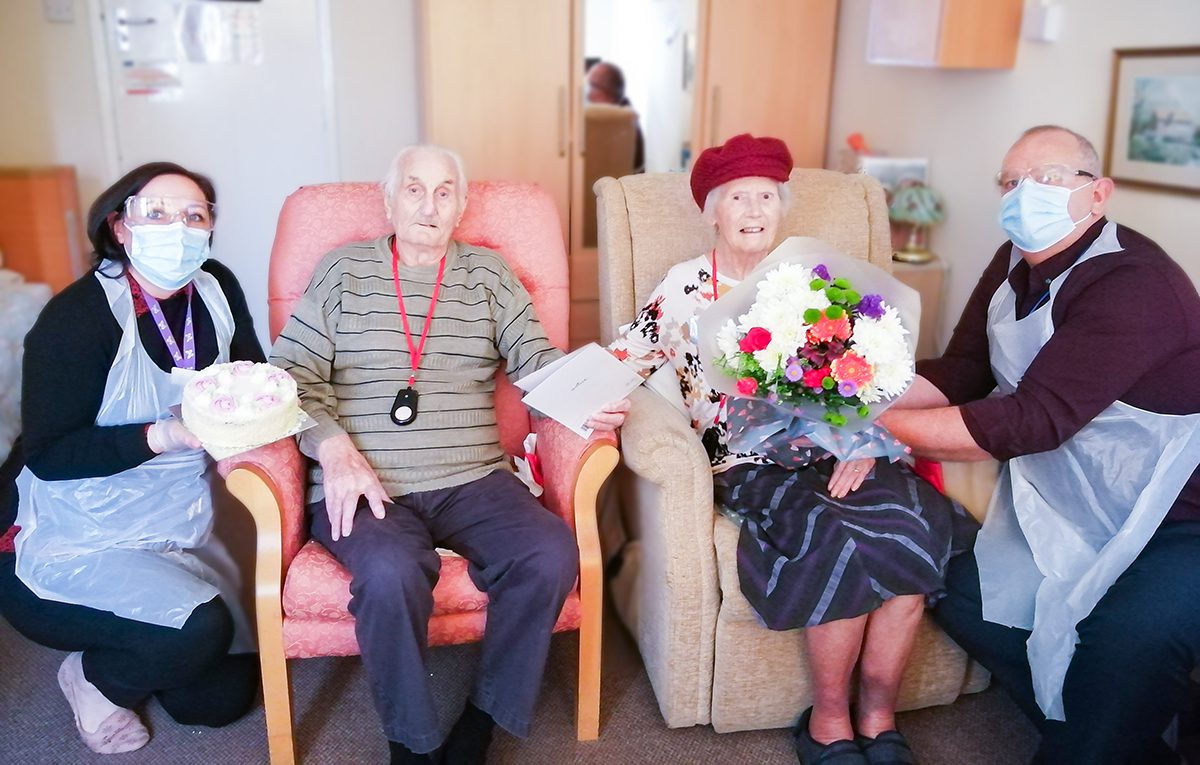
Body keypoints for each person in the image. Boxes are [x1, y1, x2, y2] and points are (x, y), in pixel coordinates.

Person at [608, 133, 976, 765]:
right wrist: (584, 399)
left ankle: (878, 716)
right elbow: (628, 356)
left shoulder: (813, 282)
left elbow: (875, 376)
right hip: (748, 462)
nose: (754, 210)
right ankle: (830, 719)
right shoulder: (683, 288)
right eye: (738, 198)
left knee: (908, 530)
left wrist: (866, 441)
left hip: (845, 447)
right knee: (833, 536)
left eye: (767, 197)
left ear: (782, 207)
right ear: (711, 210)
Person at [269, 144, 627, 765]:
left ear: (461, 206)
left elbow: (537, 363)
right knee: (389, 572)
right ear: (389, 200)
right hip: (366, 480)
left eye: (443, 192)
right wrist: (333, 449)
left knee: (548, 552)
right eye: (413, 189)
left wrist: (589, 397)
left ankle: (482, 720)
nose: (428, 205)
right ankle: (410, 744)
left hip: (473, 478)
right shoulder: (343, 272)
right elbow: (289, 375)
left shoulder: (487, 275)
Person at [880, 124, 1200, 765]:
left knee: (1124, 642)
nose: (1025, 193)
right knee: (961, 591)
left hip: (1178, 521)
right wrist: (864, 390)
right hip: (1073, 500)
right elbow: (967, 368)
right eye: (1010, 181)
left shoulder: (1135, 284)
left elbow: (1032, 421)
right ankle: (1135, 733)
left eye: (1049, 177)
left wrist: (873, 425)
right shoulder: (1010, 263)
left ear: (1099, 194)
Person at [0, 162, 264, 754]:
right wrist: (163, 435)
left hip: (180, 519)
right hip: (79, 533)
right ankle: (89, 680)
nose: (180, 228)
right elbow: (47, 455)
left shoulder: (215, 286)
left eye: (195, 215)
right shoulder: (76, 319)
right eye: (158, 213)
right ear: (121, 227)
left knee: (216, 703)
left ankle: (131, 645)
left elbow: (247, 377)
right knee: (198, 633)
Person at [585, 60, 646, 173]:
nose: (587, 93)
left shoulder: (606, 122)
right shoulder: (628, 115)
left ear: (602, 92)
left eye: (591, 85)